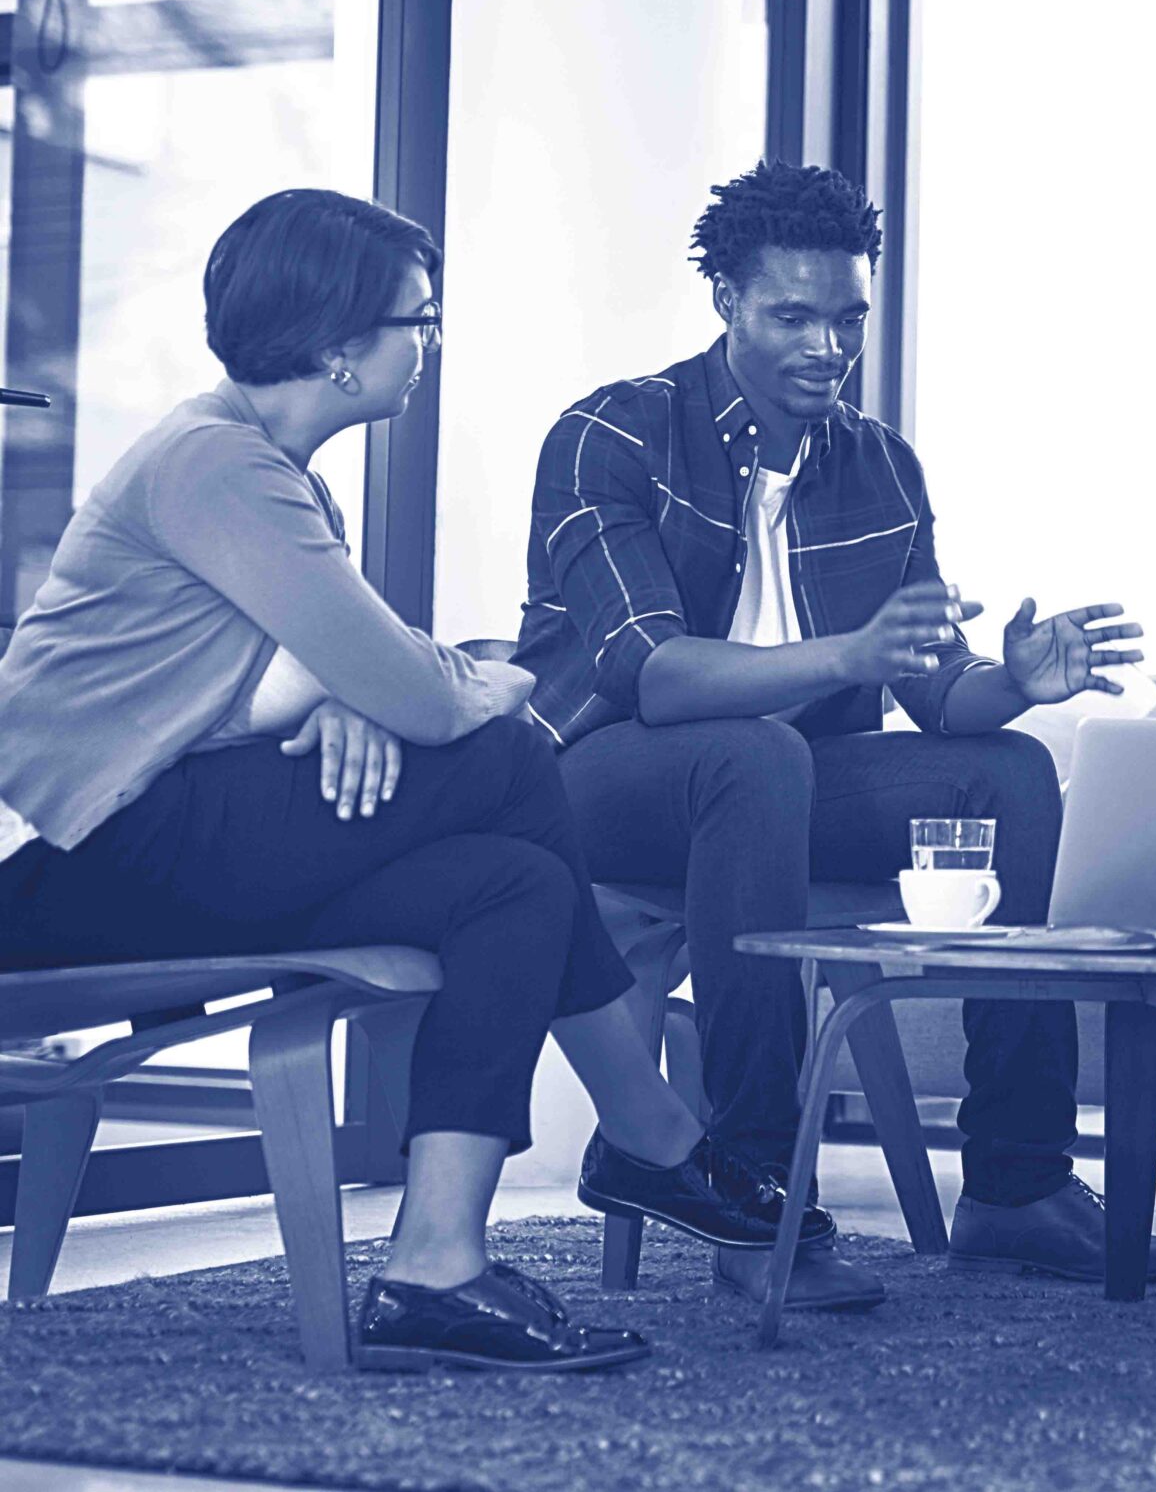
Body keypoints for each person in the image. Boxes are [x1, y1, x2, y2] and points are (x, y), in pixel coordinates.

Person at [0, 190, 781, 1374]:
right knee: (510, 749)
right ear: (334, 346)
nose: (430, 343)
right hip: (106, 854)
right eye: (419, 319)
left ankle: (436, 1266)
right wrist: (463, 680)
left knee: (510, 881)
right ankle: (649, 1127)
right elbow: (420, 688)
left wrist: (360, 693)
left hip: (196, 831)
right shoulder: (216, 461)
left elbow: (333, 673)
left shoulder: (277, 479)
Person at [515, 161, 1156, 1309]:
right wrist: (845, 658)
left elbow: (938, 700)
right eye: (792, 314)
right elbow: (652, 672)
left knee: (1011, 773)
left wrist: (1018, 683)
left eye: (848, 317)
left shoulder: (879, 464)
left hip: (781, 790)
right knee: (754, 751)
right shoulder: (615, 431)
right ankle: (750, 1181)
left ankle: (1017, 1180)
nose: (826, 344)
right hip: (600, 773)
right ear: (727, 300)